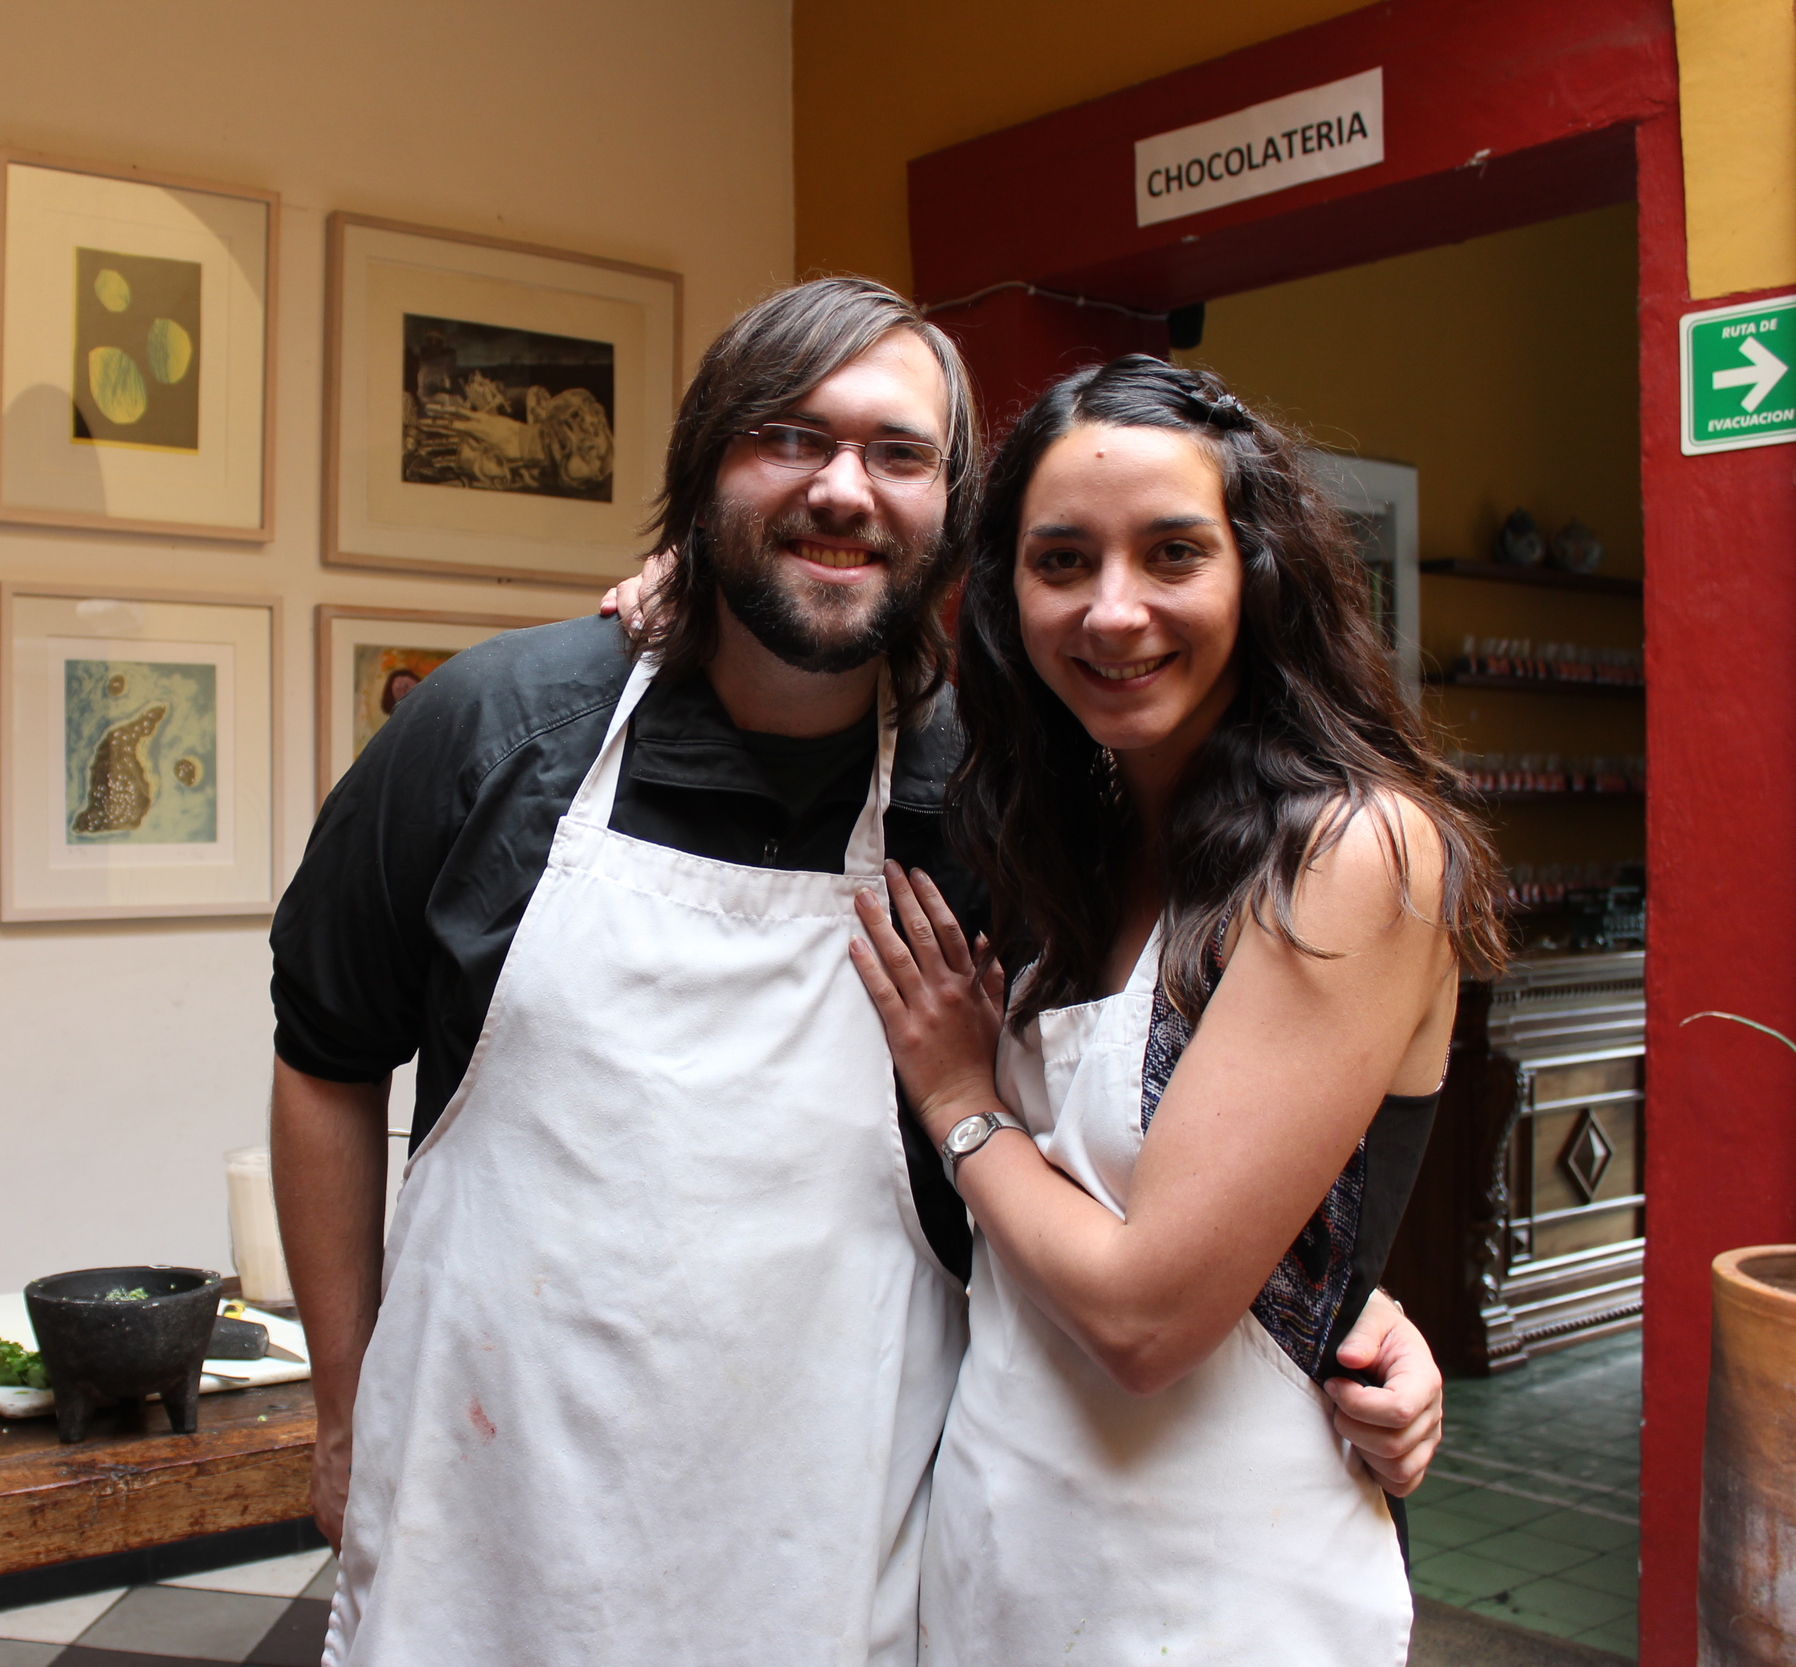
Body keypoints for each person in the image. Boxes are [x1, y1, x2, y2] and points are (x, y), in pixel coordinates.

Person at [270, 282, 1442, 1666]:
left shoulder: (1000, 802)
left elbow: (1187, 1150)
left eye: (897, 456)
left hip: (839, 1548)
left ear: (954, 528)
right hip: (493, 1521)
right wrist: (344, 1411)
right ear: (706, 467)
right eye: (785, 439)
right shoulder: (494, 730)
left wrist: (1347, 1298)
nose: (843, 490)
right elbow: (326, 1061)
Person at [848, 356, 1503, 1664]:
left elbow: (1150, 1319)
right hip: (1005, 1544)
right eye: (1061, 562)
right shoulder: (1062, 841)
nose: (1114, 612)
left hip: (1218, 1585)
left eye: (1172, 553)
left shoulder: (1354, 853)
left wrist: (961, 1102)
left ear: (1259, 573)